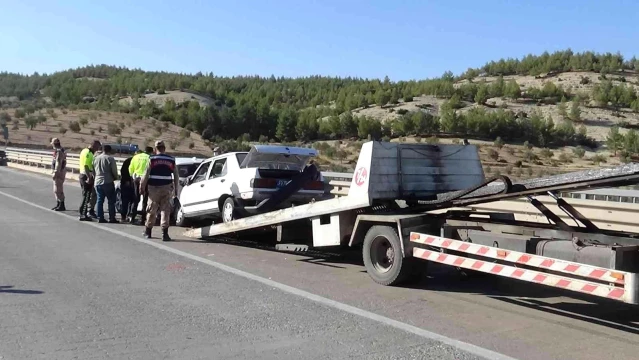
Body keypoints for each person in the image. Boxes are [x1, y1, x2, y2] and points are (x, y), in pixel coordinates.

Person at [140, 140, 179, 241]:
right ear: (164, 149)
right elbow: (176, 176)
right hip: (166, 188)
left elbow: (146, 174)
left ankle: (148, 231)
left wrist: (142, 187)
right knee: (165, 210)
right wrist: (176, 190)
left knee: (151, 209)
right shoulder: (171, 160)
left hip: (153, 188)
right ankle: (164, 234)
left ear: (155, 149)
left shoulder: (152, 159)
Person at [93, 144, 120, 223]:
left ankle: (100, 217)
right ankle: (111, 217)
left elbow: (93, 170)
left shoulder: (96, 158)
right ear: (109, 150)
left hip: (98, 181)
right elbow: (114, 170)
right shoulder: (110, 158)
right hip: (107, 181)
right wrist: (116, 178)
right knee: (111, 200)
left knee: (99, 200)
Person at [128, 146, 152, 224]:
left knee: (136, 199)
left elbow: (130, 169)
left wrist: (132, 177)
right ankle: (143, 219)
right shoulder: (150, 158)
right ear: (151, 152)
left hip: (136, 179)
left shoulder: (136, 157)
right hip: (146, 180)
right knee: (145, 200)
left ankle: (132, 217)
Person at [78, 140, 101, 221]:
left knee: (86, 196)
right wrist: (89, 177)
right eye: (97, 147)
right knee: (86, 196)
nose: (97, 149)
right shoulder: (89, 153)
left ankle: (83, 213)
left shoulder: (84, 151)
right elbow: (86, 166)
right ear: (94, 146)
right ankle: (83, 214)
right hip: (86, 175)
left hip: (82, 174)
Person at [50, 138, 67, 211]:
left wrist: (56, 172)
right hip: (59, 171)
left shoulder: (59, 151)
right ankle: (58, 203)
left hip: (59, 172)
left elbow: (58, 163)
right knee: (56, 189)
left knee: (58, 189)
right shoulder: (58, 151)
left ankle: (61, 204)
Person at [119, 154, 134, 222]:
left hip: (127, 183)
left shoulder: (128, 160)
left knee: (126, 200)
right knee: (130, 200)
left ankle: (124, 216)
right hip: (129, 183)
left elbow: (122, 171)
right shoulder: (130, 160)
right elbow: (124, 171)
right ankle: (127, 215)